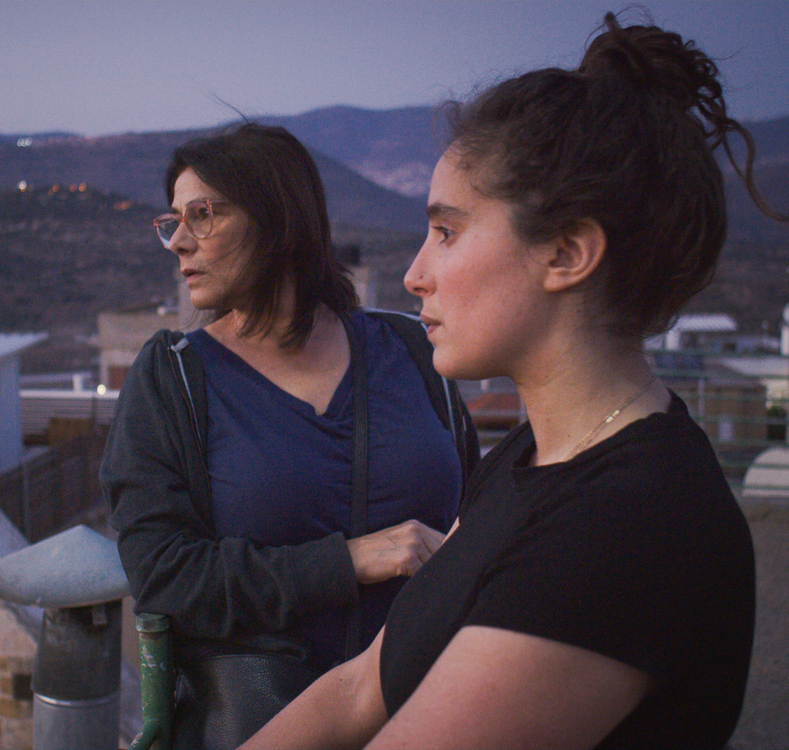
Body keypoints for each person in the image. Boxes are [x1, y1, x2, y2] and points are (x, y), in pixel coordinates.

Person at [242, 12, 784, 750]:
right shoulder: (531, 461)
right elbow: (361, 686)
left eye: (448, 231)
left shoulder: (628, 529)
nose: (415, 274)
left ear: (565, 253)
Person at [100, 123, 478, 750]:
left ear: (278, 218)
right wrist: (349, 560)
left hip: (433, 714)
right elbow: (164, 576)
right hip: (262, 726)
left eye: (204, 215)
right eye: (174, 221)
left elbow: (476, 509)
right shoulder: (174, 379)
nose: (180, 242)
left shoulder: (409, 348)